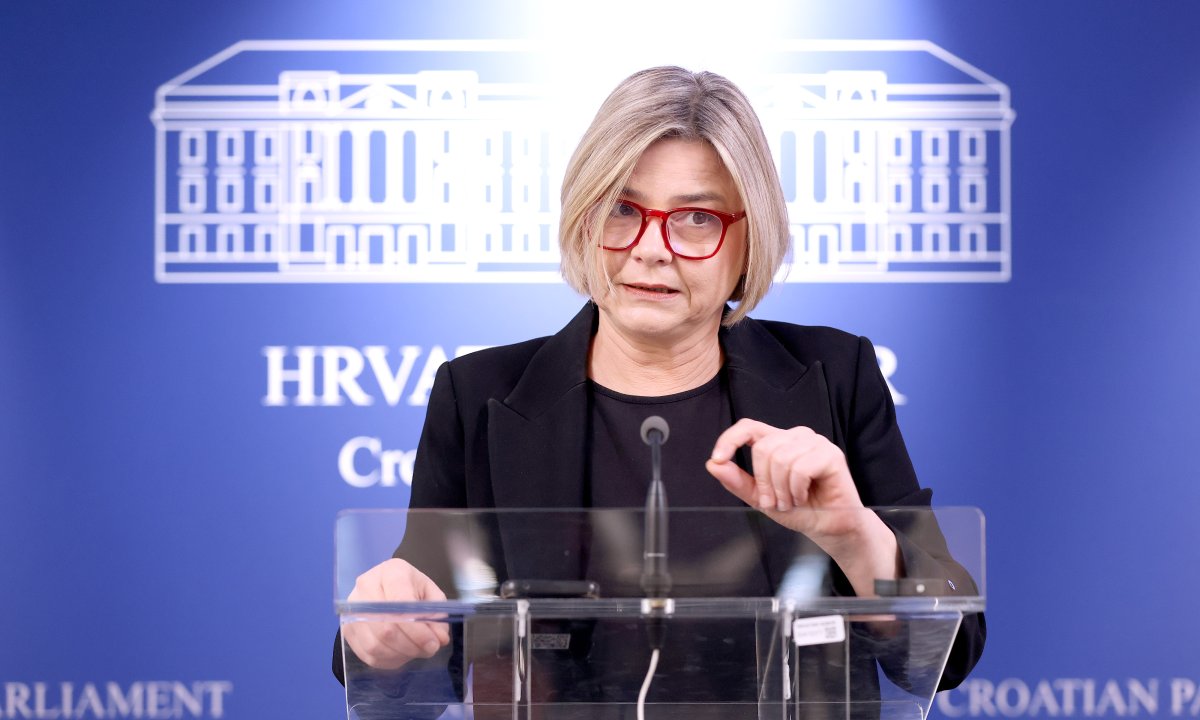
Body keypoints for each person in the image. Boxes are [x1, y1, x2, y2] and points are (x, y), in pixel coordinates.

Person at [334, 66, 985, 710]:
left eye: (696, 217)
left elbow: (954, 648)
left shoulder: (835, 376)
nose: (651, 248)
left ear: (749, 236)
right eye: (622, 208)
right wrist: (382, 634)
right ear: (584, 218)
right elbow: (411, 652)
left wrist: (857, 538)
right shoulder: (477, 397)